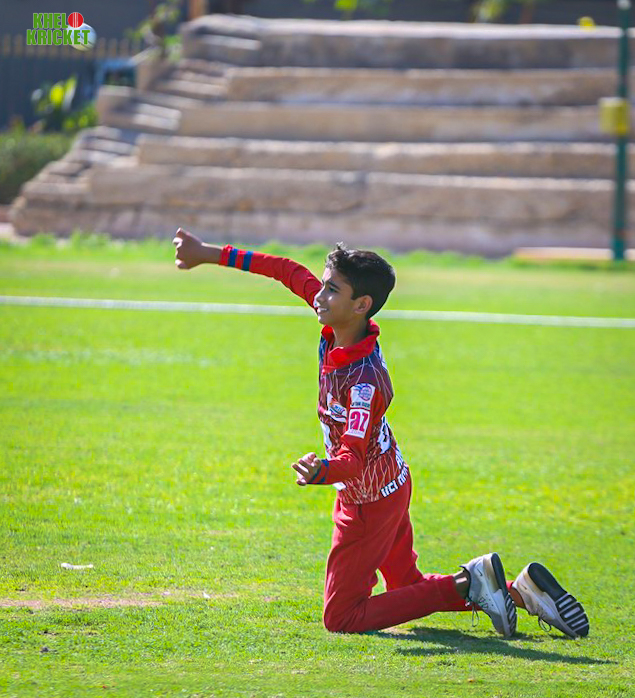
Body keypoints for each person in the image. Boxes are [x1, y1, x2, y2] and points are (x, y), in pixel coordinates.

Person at [172, 229, 590, 639]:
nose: (319, 295)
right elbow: (285, 269)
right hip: (391, 483)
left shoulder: (363, 382)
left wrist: (320, 472)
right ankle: (521, 593)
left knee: (342, 617)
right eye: (323, 285)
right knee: (407, 585)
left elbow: (352, 460)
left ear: (361, 305)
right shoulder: (342, 324)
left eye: (331, 289)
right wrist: (206, 253)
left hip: (368, 501)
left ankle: (470, 583)